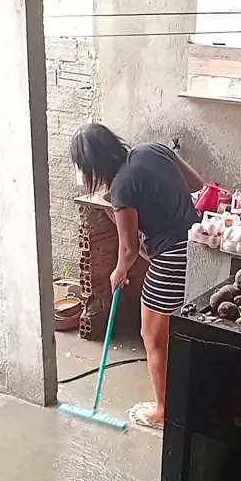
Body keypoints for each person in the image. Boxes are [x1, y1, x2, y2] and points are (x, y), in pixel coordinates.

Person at [71, 123, 204, 429]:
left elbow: (129, 250)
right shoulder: (152, 149)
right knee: (177, 332)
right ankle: (182, 398)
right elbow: (196, 184)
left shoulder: (121, 188)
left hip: (172, 259)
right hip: (198, 248)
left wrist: (118, 273)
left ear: (93, 166)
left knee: (153, 338)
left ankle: (164, 412)